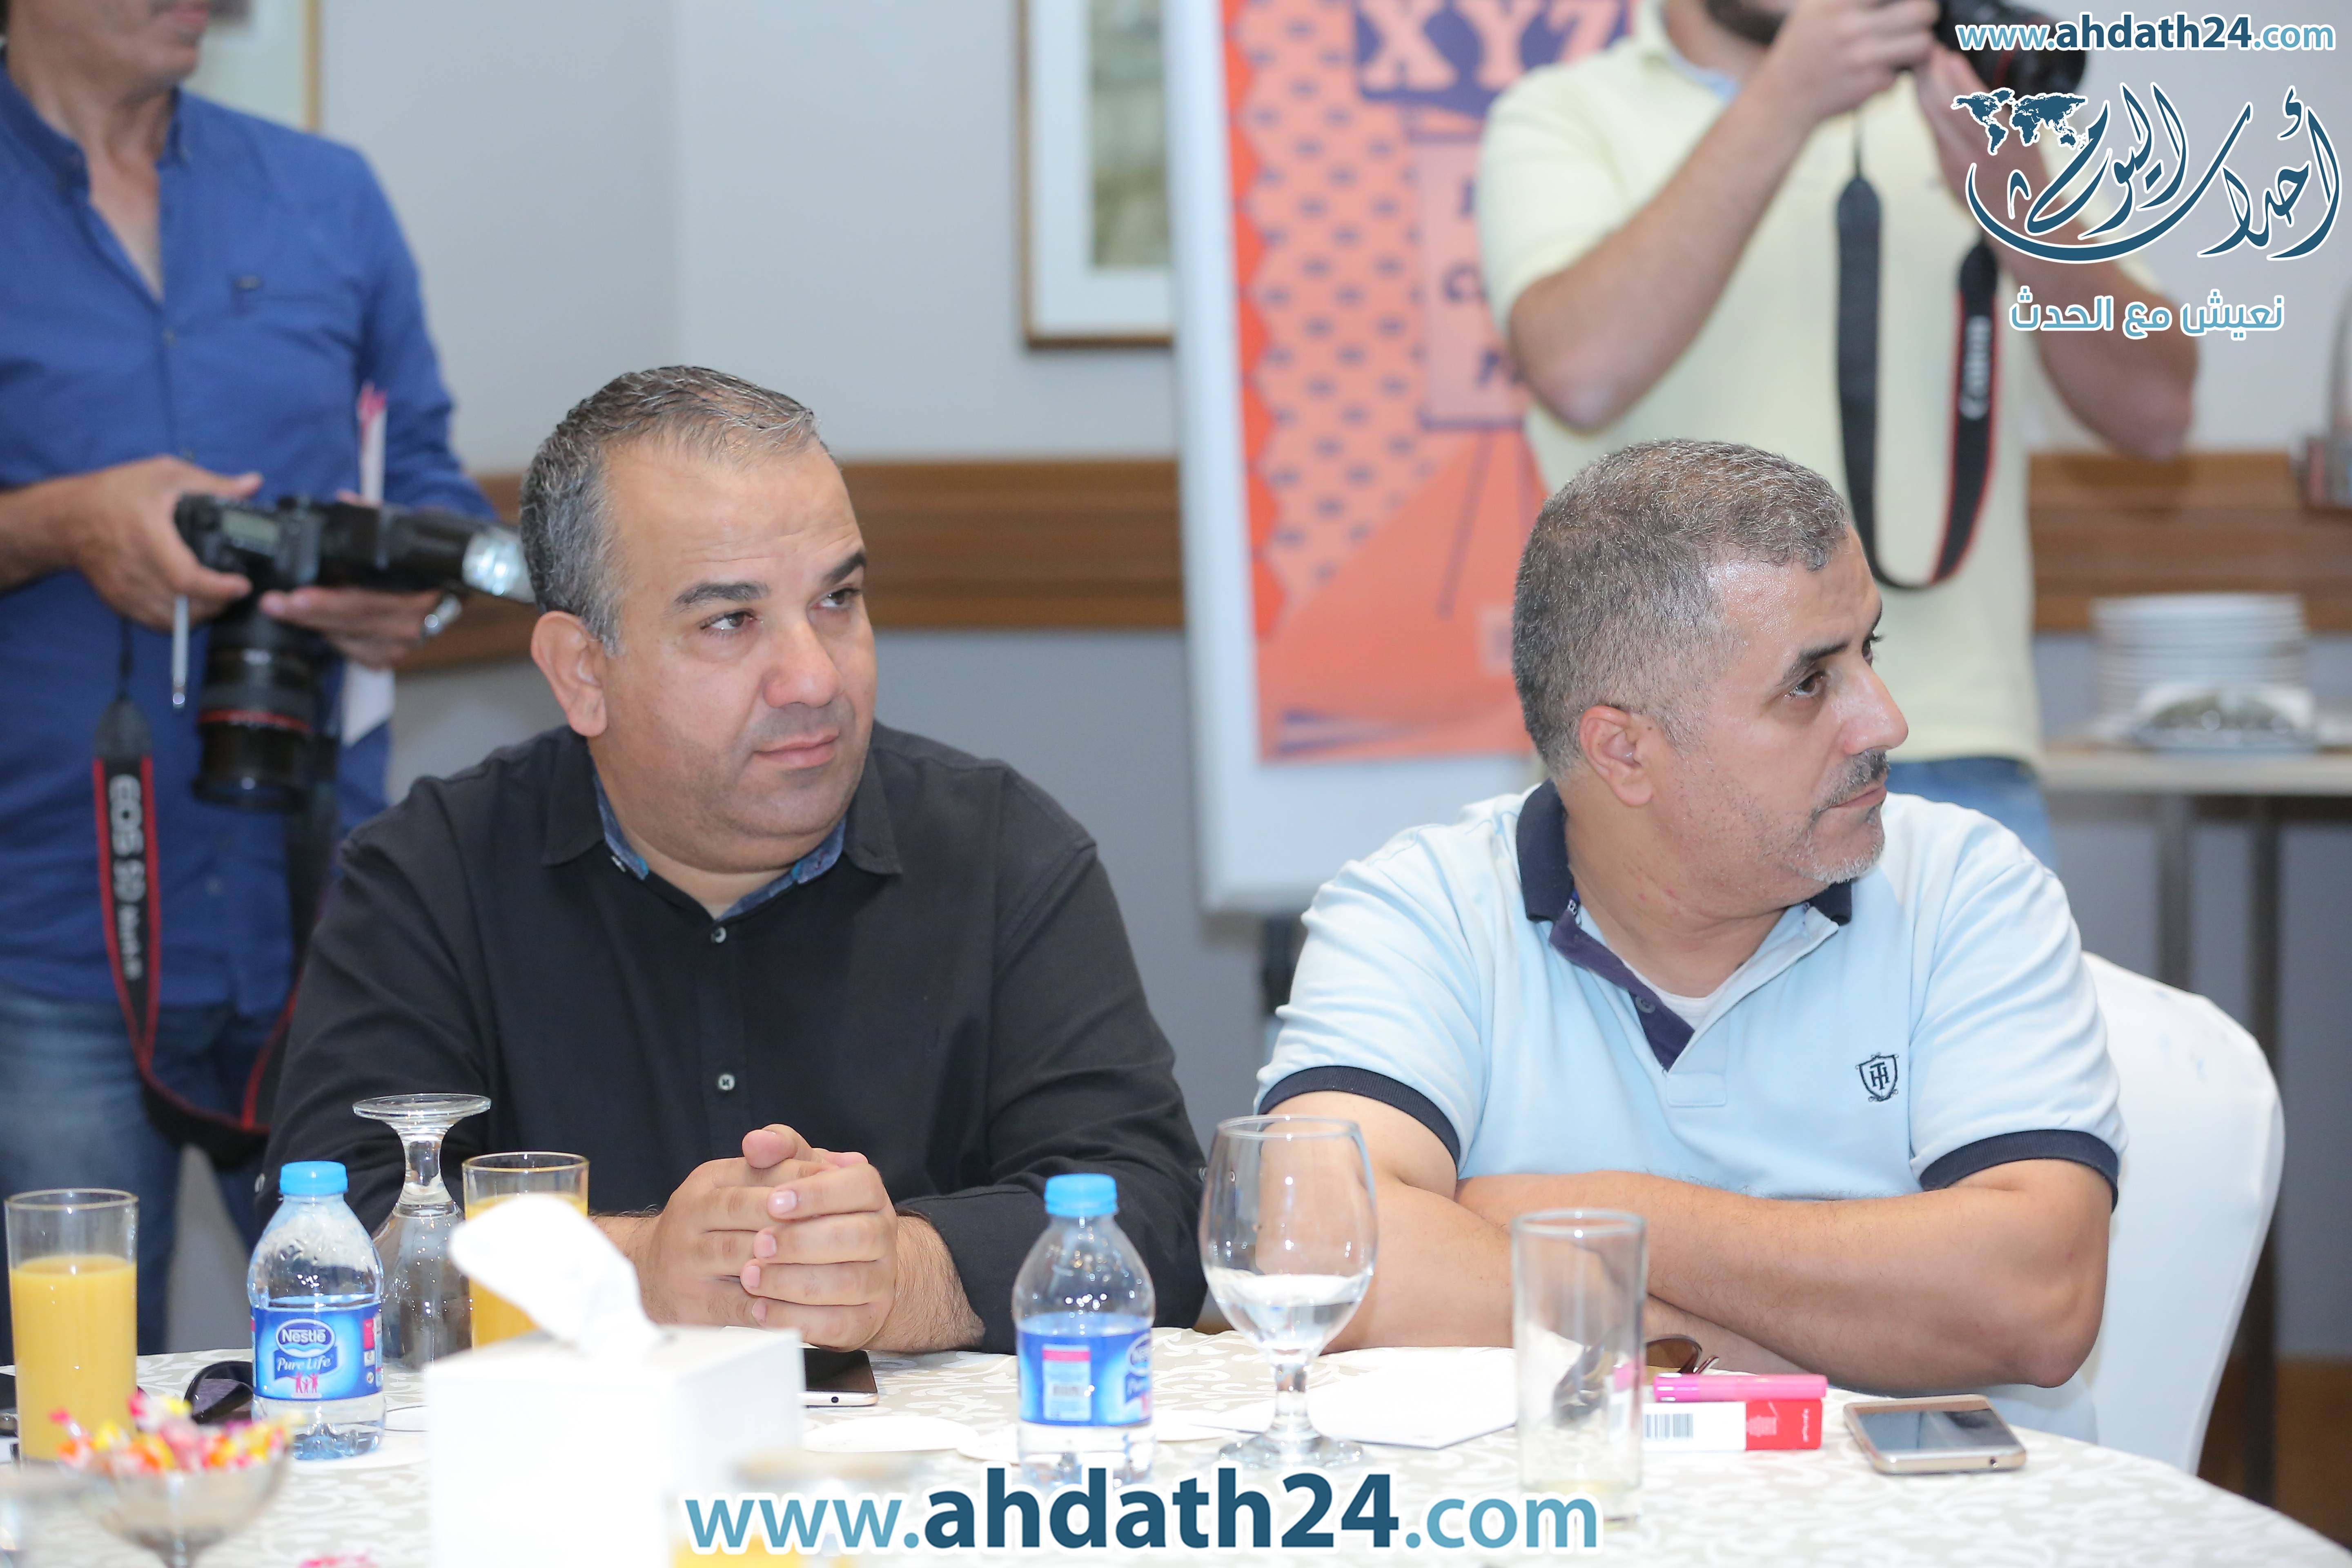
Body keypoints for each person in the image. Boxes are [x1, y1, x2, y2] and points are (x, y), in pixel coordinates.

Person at [261, 367, 1208, 1353]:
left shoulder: (1005, 853)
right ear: (582, 673)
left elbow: (1152, 1213)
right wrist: (632, 1270)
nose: (814, 678)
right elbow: (330, 1234)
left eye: (839, 599)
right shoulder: (428, 877)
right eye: (730, 621)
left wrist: (902, 1275)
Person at [1260, 441, 2122, 1436]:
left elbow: (2037, 1299)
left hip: (1935, 1514)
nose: (1885, 722)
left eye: (1868, 653)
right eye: (1810, 684)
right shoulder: (1423, 908)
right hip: (1562, 1513)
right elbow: (1317, 1247)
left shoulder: (1967, 886)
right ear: (1624, 751)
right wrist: (1701, 1357)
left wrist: (1591, 1212)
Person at [0, 0, 487, 1355]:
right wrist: (59, 526)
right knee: (69, 1407)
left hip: (326, 916)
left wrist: (416, 590)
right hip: (42, 932)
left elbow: (432, 483)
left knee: (388, 1380)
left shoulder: (327, 197)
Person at [1477, 0, 2200, 866]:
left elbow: (2157, 413)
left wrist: (2025, 209)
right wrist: (1788, 97)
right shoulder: (1566, 112)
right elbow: (1581, 368)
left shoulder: (1968, 100)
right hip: (1662, 757)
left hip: (1944, 738)